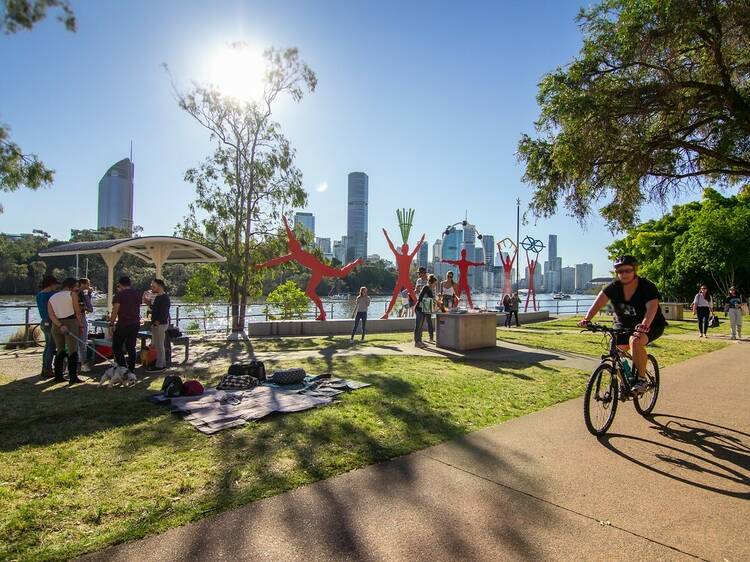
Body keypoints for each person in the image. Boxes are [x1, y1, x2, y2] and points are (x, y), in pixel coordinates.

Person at [578, 255, 667, 394]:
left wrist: (644, 324)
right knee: (615, 351)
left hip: (651, 324)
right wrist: (587, 319)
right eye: (620, 271)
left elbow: (652, 307)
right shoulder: (613, 287)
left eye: (627, 270)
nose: (623, 274)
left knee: (635, 341)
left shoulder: (647, 286)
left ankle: (642, 379)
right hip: (623, 325)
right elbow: (598, 303)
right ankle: (625, 381)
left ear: (634, 270)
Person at [47, 277, 83, 385]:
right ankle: (73, 377)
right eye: (76, 286)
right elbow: (77, 311)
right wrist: (81, 325)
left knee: (60, 350)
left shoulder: (52, 297)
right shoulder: (72, 295)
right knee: (72, 350)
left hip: (56, 325)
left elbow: (51, 315)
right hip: (71, 323)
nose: (77, 288)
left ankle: (58, 376)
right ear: (71, 286)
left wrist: (59, 324)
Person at [109, 276, 142, 376]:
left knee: (117, 346)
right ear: (130, 284)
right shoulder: (137, 294)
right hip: (135, 323)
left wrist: (111, 323)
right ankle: (131, 369)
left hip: (123, 323)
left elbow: (115, 309)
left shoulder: (119, 295)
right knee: (131, 347)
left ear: (120, 284)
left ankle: (123, 367)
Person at [36, 275, 59, 378]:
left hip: (44, 322)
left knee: (47, 346)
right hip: (51, 322)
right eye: (55, 284)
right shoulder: (52, 295)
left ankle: (45, 367)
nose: (56, 286)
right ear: (51, 284)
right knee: (51, 347)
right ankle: (48, 369)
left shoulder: (39, 294)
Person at [147, 279, 170, 372]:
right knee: (157, 344)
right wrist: (148, 302)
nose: (152, 288)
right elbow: (155, 309)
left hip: (160, 324)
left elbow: (164, 312)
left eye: (154, 286)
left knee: (160, 345)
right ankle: (160, 362)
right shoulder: (158, 297)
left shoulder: (165, 297)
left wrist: (157, 322)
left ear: (160, 286)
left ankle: (160, 365)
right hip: (156, 323)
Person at [415, 274, 438, 346]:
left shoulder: (429, 289)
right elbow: (422, 298)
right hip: (419, 309)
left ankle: (420, 341)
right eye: (434, 283)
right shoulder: (426, 288)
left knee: (420, 326)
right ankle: (417, 342)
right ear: (431, 282)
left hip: (424, 309)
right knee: (418, 326)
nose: (435, 285)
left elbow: (432, 299)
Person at [77, 278, 94, 372]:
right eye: (88, 284)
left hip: (74, 319)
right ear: (83, 284)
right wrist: (88, 295)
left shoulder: (80, 293)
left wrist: (89, 294)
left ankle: (81, 362)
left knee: (79, 343)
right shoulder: (82, 294)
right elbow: (90, 308)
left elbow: (89, 307)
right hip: (81, 319)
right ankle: (83, 363)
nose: (89, 286)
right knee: (82, 342)